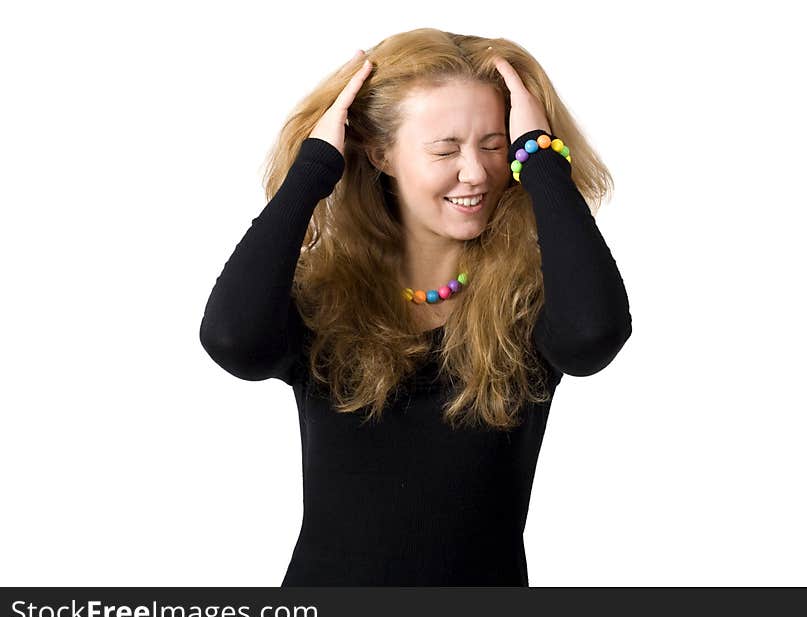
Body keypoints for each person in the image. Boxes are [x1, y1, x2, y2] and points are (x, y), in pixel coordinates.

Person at [199, 28, 632, 586]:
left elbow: (594, 335)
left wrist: (542, 159)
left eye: (496, 144)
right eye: (445, 149)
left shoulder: (530, 305)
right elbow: (234, 340)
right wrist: (312, 168)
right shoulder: (327, 300)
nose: (475, 172)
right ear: (381, 154)